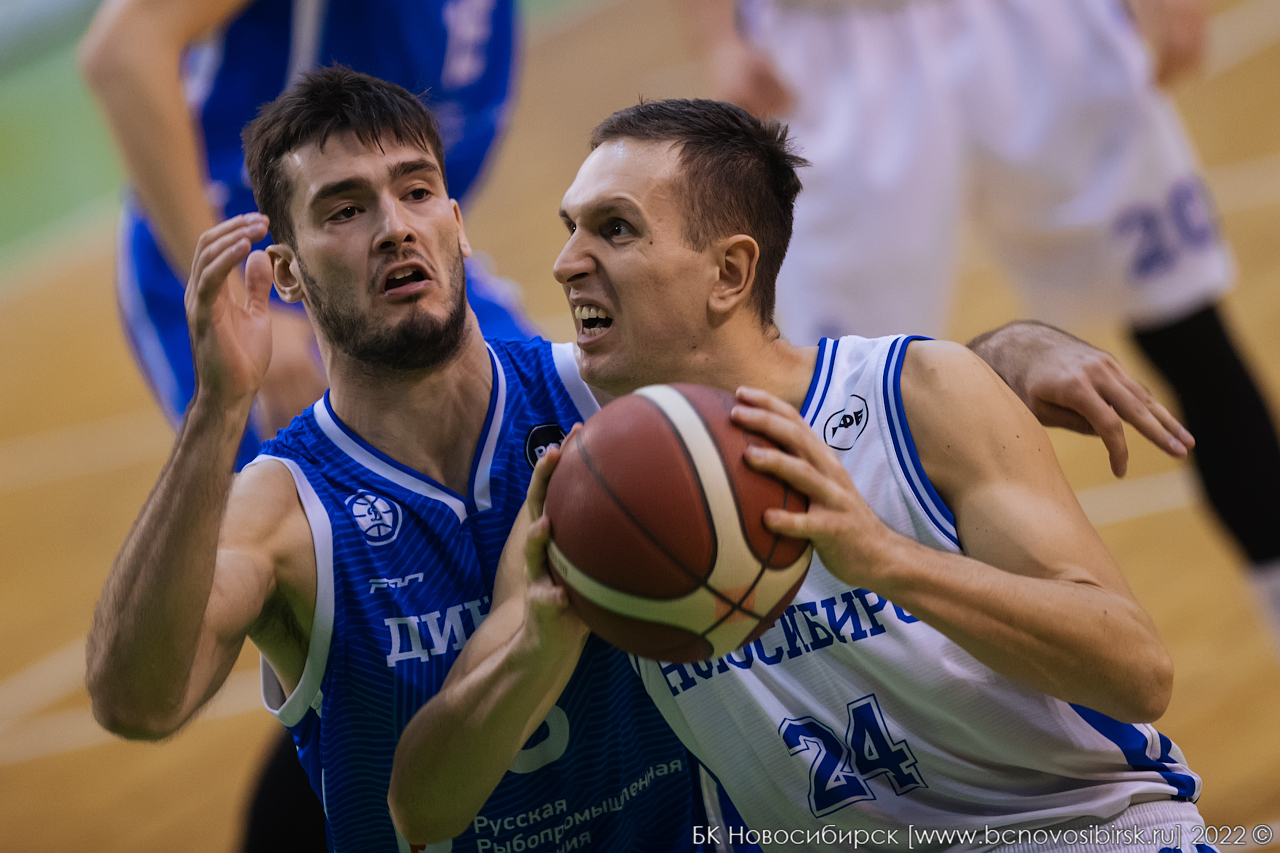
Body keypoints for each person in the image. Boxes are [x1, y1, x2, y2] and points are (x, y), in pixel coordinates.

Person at [85, 68, 1192, 852]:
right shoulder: (286, 504)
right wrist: (212, 413)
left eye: (417, 191)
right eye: (344, 209)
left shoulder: (606, 399)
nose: (395, 228)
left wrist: (1003, 357)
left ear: (459, 221)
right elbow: (139, 703)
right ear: (283, 269)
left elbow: (792, 367)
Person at [389, 99, 1211, 850]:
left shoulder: (912, 395)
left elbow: (1136, 672)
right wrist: (534, 647)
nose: (567, 262)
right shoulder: (583, 480)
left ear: (730, 273)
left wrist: (886, 559)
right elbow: (422, 813)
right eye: (571, 227)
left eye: (614, 229)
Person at [77, 3, 533, 845]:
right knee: (367, 608)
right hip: (264, 272)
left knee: (564, 475)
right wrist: (245, 282)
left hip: (390, 260)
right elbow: (121, 52)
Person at [689, 0, 1280, 624]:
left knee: (1188, 331)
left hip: (1032, 24)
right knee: (822, 411)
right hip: (828, 47)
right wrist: (720, 33)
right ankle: (873, 680)